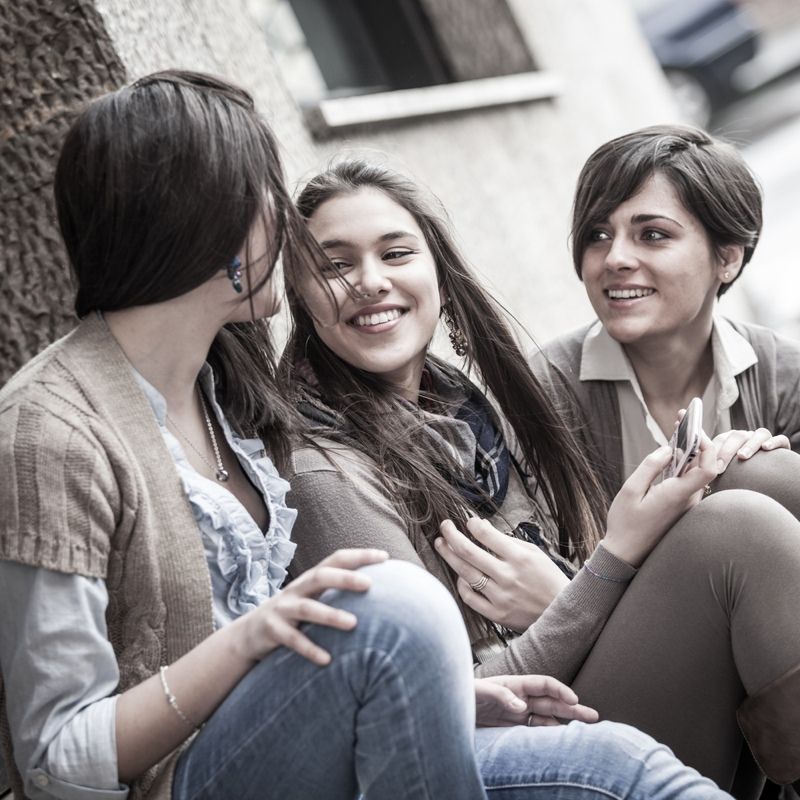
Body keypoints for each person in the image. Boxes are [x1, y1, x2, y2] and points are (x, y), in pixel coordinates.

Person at [0, 71, 729, 800]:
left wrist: (424, 686)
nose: (285, 229)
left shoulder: (223, 392)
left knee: (618, 767)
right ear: (205, 221)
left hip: (302, 742)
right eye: (268, 198)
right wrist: (252, 640)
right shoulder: (50, 434)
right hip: (180, 785)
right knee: (395, 604)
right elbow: (57, 760)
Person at [282, 159, 800, 797]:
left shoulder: (473, 413)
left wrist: (583, 576)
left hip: (574, 678)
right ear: (300, 295)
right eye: (335, 265)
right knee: (738, 531)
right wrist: (612, 558)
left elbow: (572, 587)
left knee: (764, 477)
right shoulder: (324, 471)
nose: (369, 282)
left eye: (396, 253)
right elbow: (451, 708)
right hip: (521, 747)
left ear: (437, 270)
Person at [530, 124, 800, 503]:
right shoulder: (538, 392)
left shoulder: (787, 381)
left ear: (727, 257)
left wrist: (763, 475)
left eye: (653, 234)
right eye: (597, 235)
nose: (616, 258)